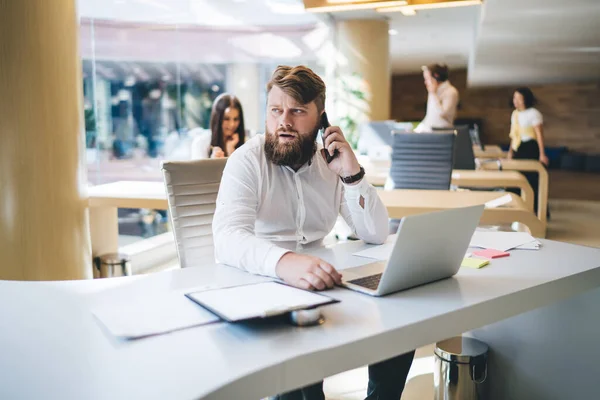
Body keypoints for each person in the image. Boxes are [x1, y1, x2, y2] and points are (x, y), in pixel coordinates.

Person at [213, 65, 414, 400]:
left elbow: (377, 233)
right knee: (298, 386)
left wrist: (353, 175)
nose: (284, 122)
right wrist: (286, 262)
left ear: (321, 118)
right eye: (276, 111)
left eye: (297, 112)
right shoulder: (247, 161)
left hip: (320, 286)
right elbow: (228, 237)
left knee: (402, 320)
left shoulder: (330, 164)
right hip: (261, 285)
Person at [507, 87, 549, 215]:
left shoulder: (534, 113)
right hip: (518, 148)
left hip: (530, 148)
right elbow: (514, 135)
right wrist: (510, 151)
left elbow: (539, 135)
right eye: (515, 98)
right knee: (515, 178)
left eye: (519, 98)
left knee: (531, 179)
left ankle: (534, 210)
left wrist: (542, 154)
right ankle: (516, 208)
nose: (516, 101)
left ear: (526, 99)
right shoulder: (515, 114)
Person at [190, 93, 245, 159]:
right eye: (226, 119)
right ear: (217, 119)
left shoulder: (246, 142)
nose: (232, 124)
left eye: (236, 119)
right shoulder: (201, 142)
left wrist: (231, 151)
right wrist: (212, 163)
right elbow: (197, 169)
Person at [414, 64, 459, 133]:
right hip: (430, 132)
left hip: (442, 133)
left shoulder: (451, 91)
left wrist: (433, 94)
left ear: (436, 76)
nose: (425, 82)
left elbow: (442, 114)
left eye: (427, 79)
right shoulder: (433, 92)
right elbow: (430, 116)